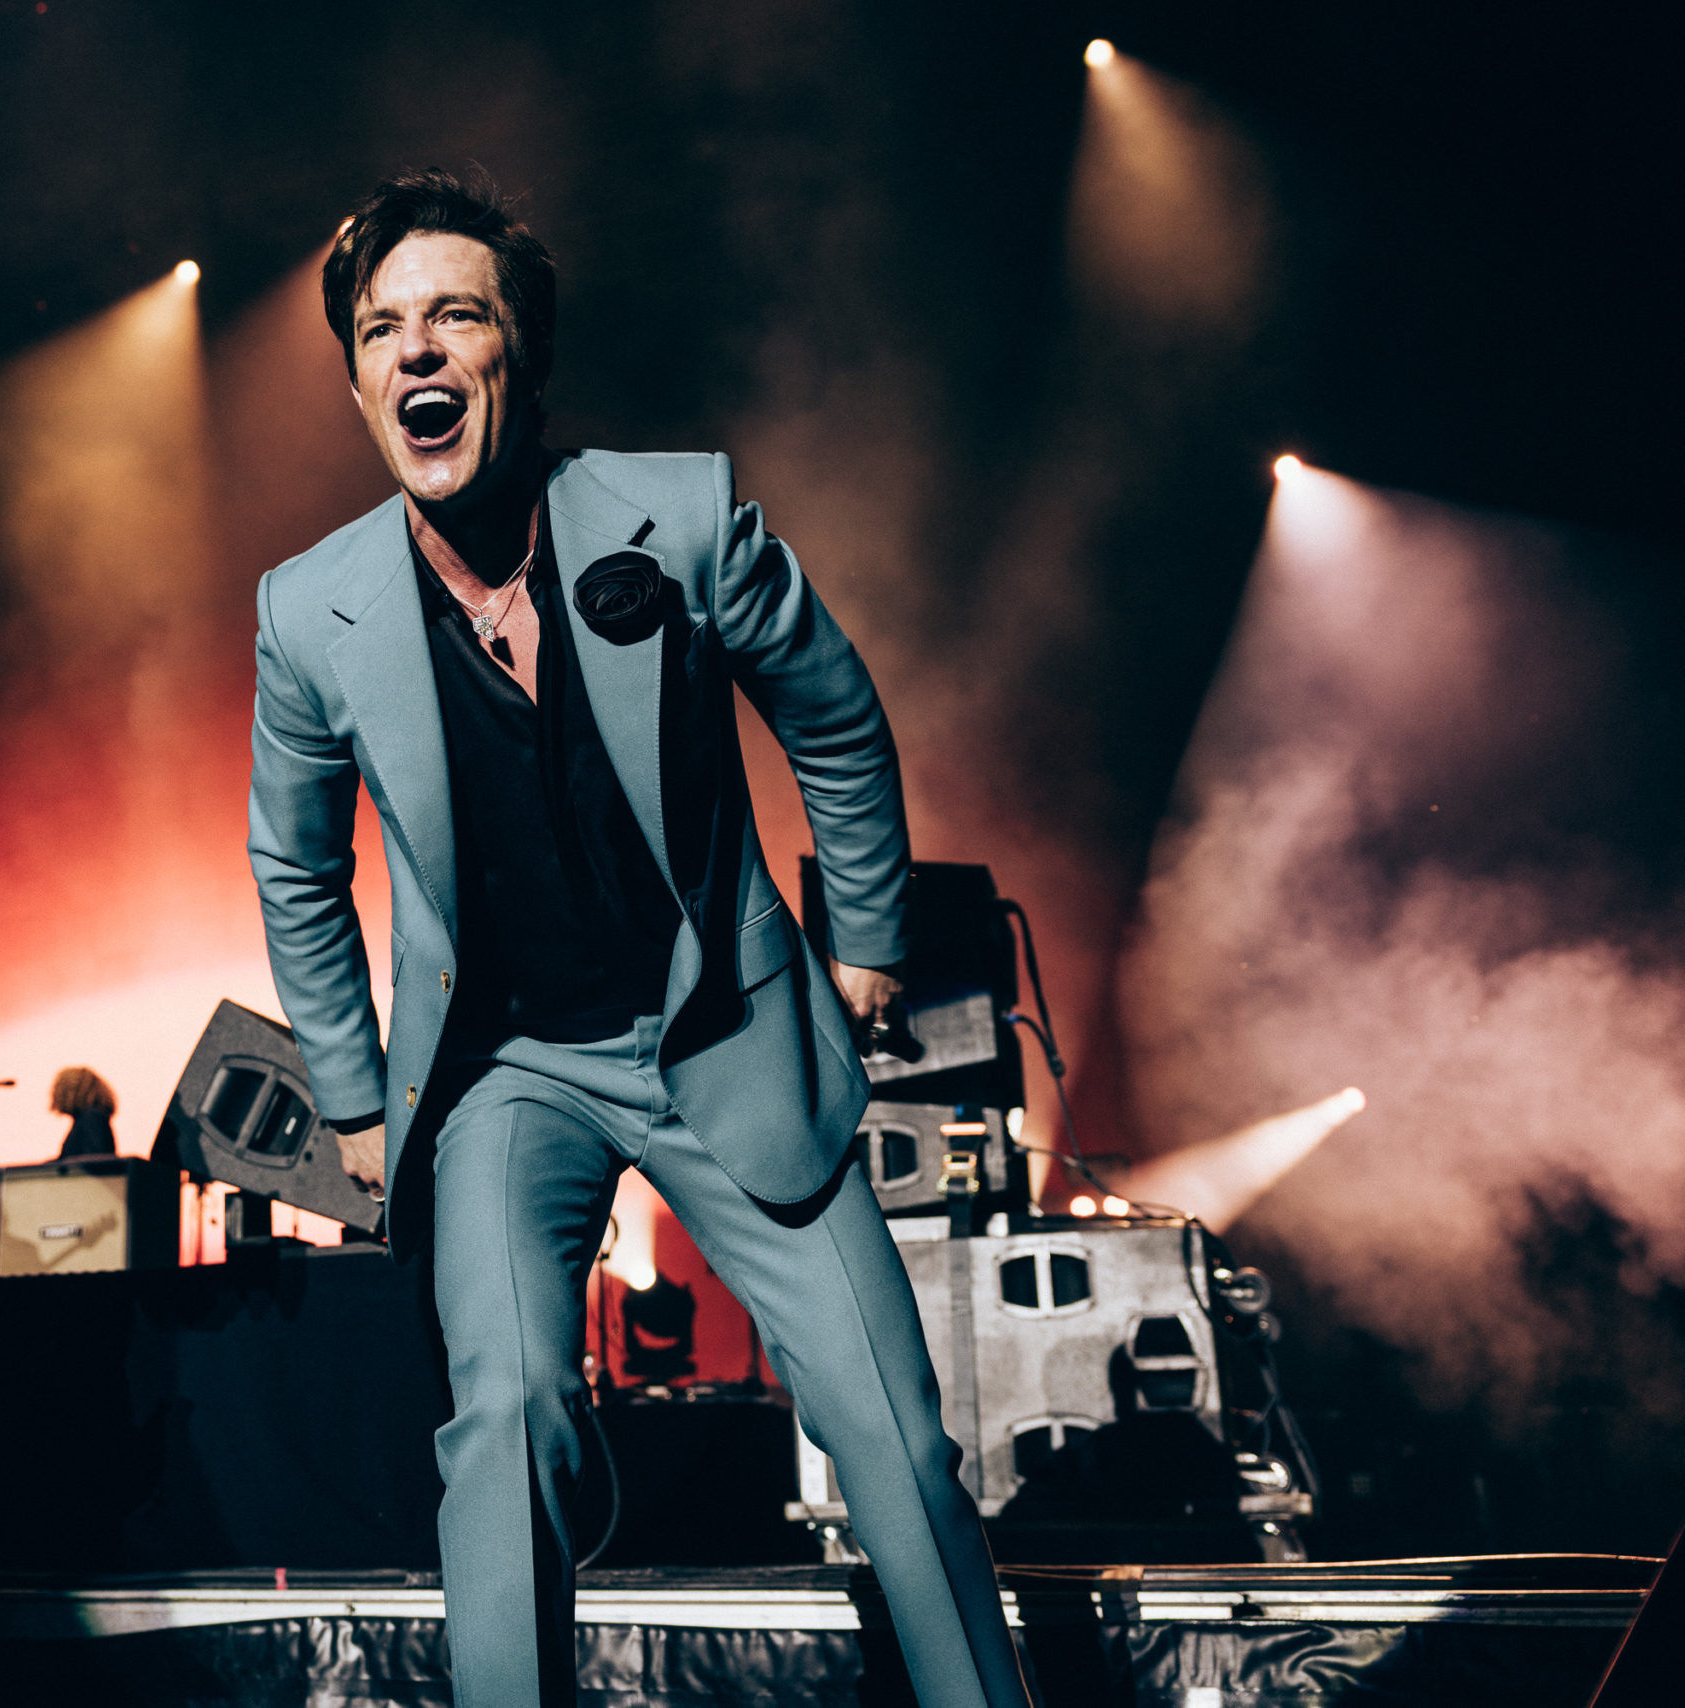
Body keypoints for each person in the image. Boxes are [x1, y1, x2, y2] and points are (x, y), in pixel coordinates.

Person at [245, 172, 1032, 1708]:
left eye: (455, 317)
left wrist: (865, 937)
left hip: (723, 1028)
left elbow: (835, 717)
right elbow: (294, 862)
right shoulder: (308, 610)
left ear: (520, 355)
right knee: (508, 1417)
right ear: (356, 383)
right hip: (507, 1073)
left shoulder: (682, 516)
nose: (417, 351)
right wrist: (348, 1093)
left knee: (892, 1434)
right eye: (383, 330)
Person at [50, 1066, 119, 1159]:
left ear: (71, 1091)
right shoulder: (89, 1118)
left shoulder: (91, 1118)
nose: (54, 1094)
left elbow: (94, 1159)